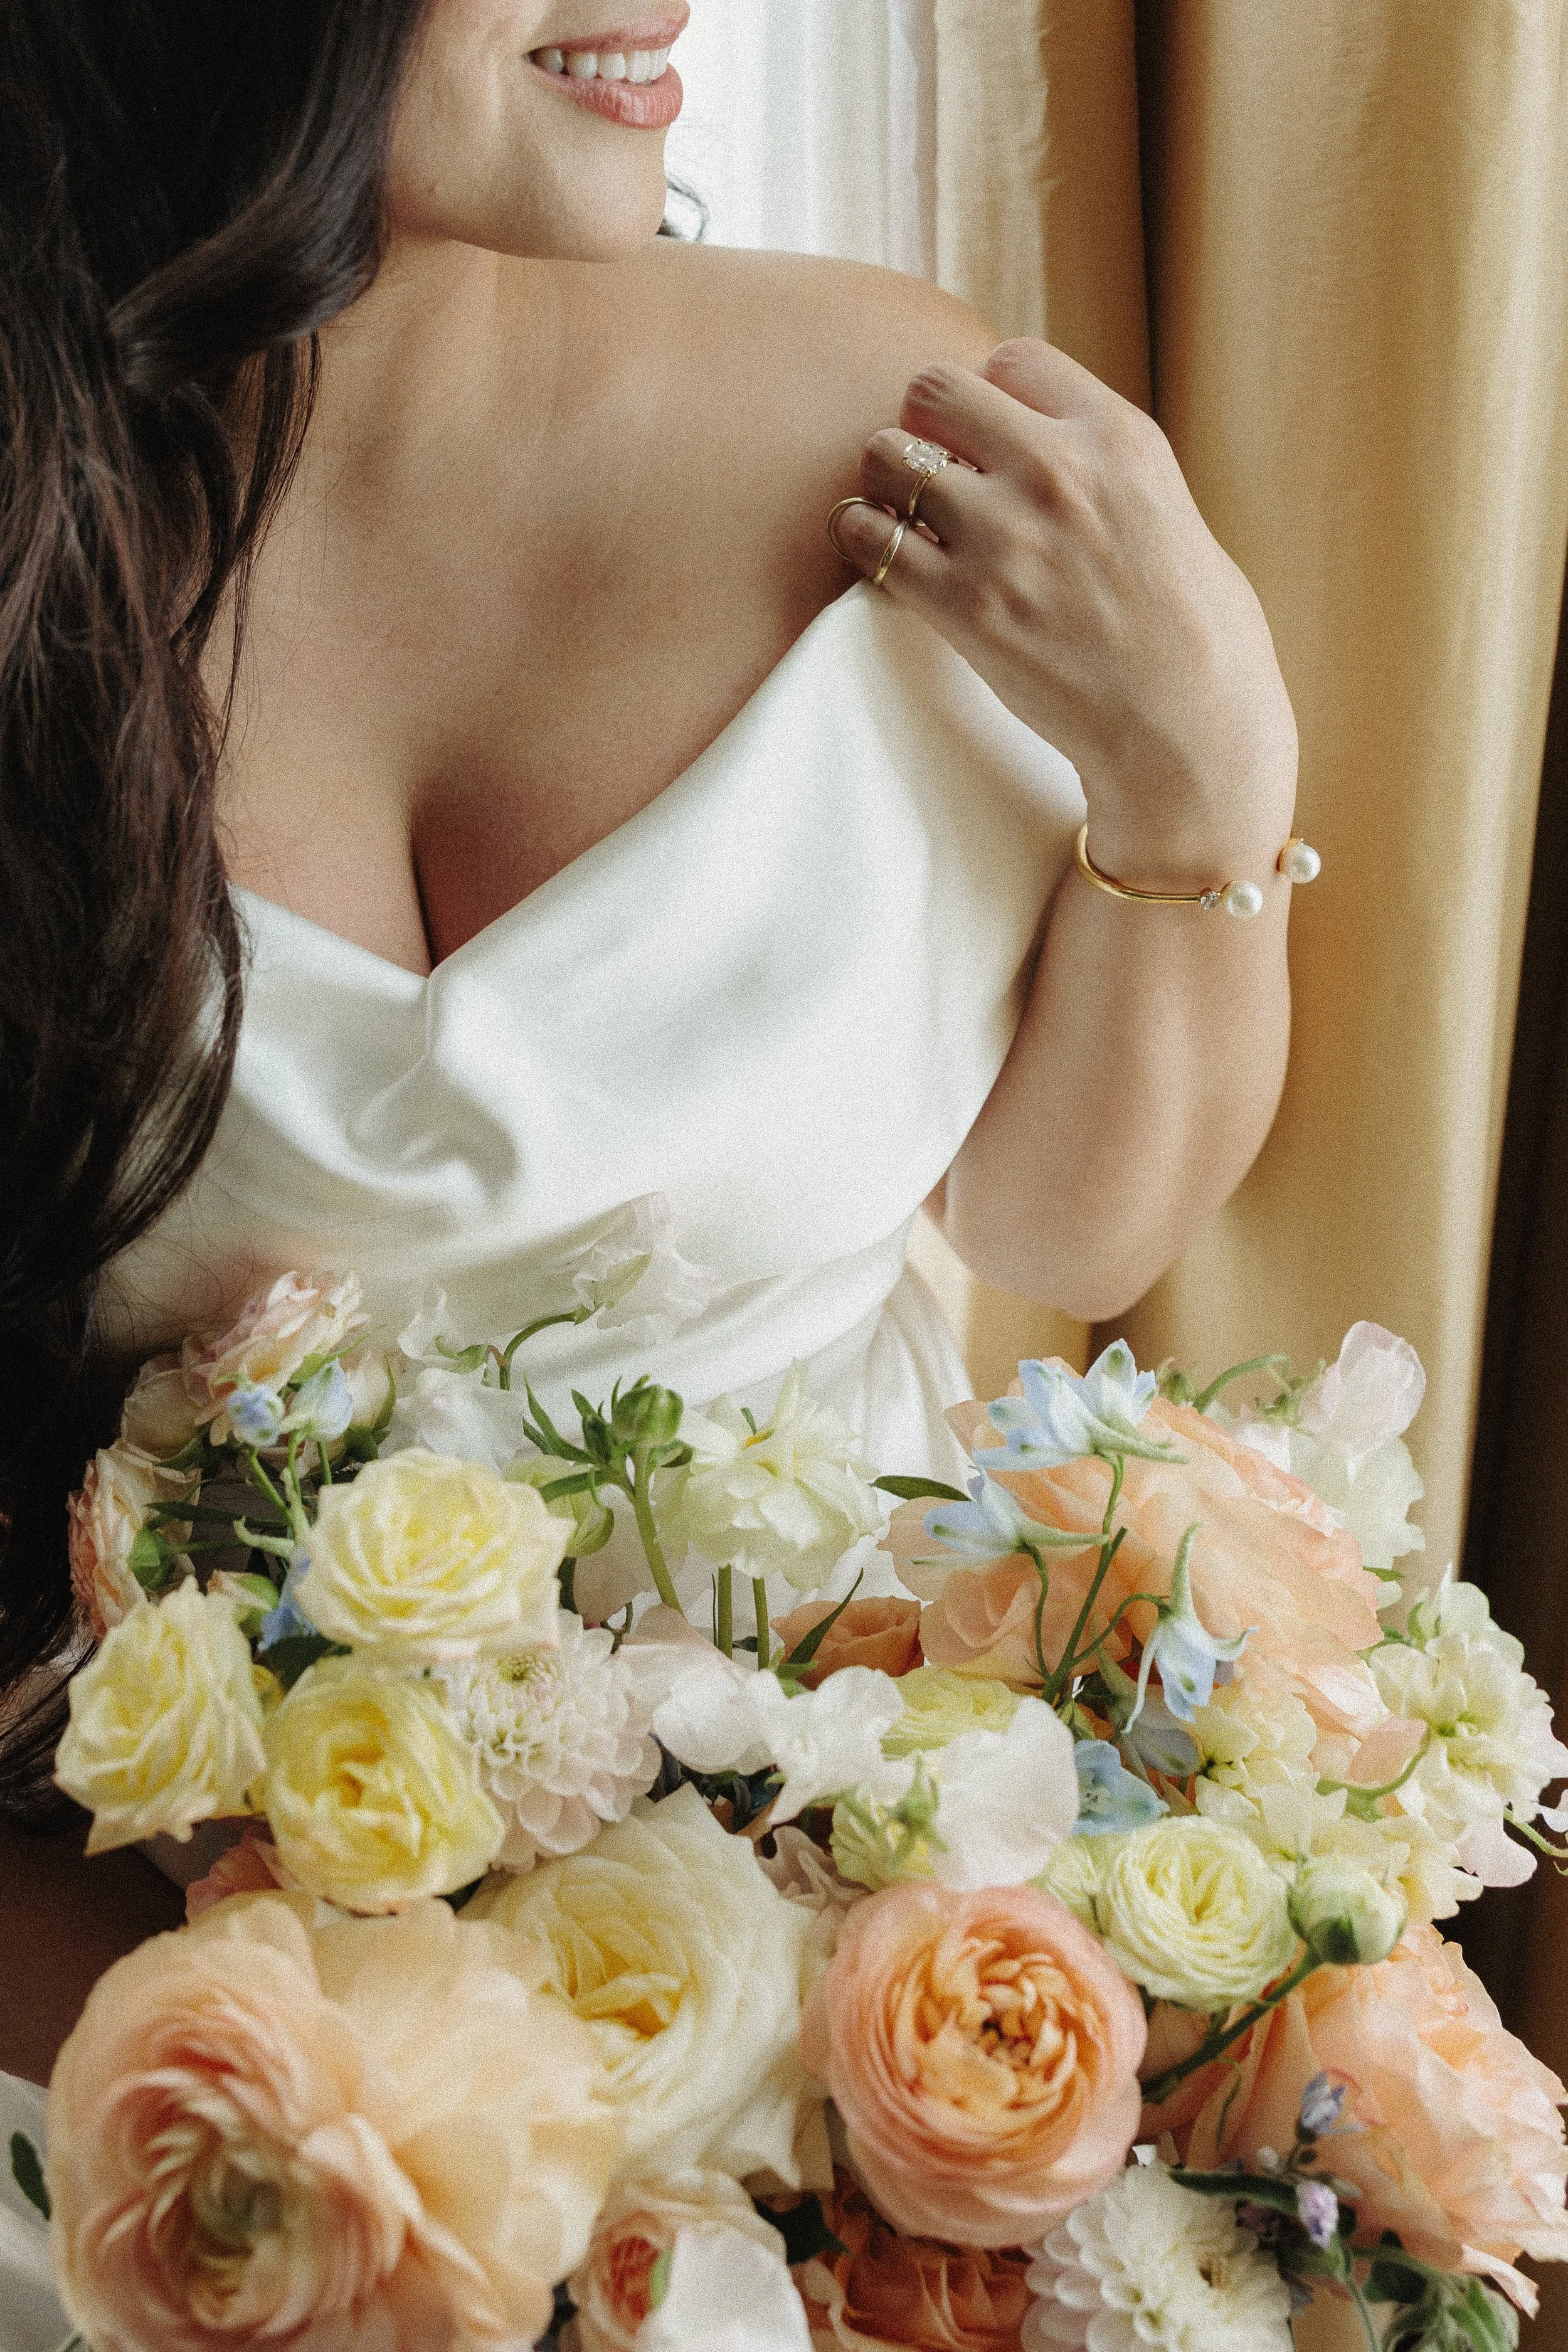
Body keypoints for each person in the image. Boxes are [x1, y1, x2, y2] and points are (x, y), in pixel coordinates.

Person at [0, 0, 1300, 2196]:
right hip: (146, 2104)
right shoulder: (41, 529)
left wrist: (1201, 758)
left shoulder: (898, 429)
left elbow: (1073, 1228)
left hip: (857, 2096)